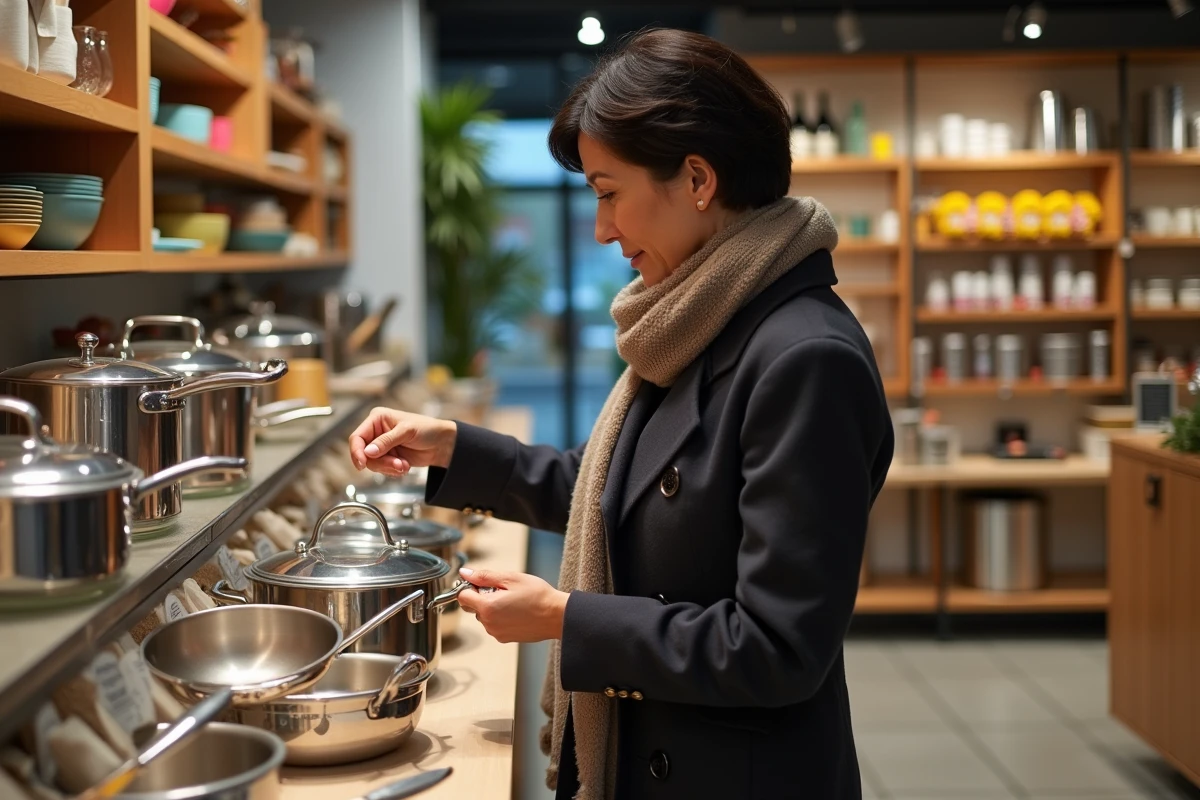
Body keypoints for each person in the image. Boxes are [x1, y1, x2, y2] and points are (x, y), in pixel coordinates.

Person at [348, 28, 893, 800]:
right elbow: (617, 493)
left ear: (698, 178)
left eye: (609, 194)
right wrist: (450, 448)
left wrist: (570, 618)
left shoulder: (805, 357)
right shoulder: (699, 316)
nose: (603, 230)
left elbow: (777, 647)